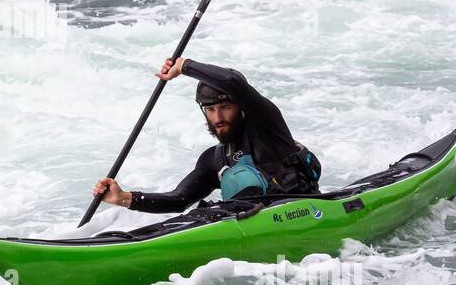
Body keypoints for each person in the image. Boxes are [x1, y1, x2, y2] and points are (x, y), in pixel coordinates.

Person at [93, 57, 321, 214]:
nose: (218, 116)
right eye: (210, 110)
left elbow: (233, 83)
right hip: (250, 224)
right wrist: (124, 198)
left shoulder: (267, 126)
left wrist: (185, 66)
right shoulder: (215, 160)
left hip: (304, 212)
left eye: (225, 107)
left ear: (241, 106)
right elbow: (179, 199)